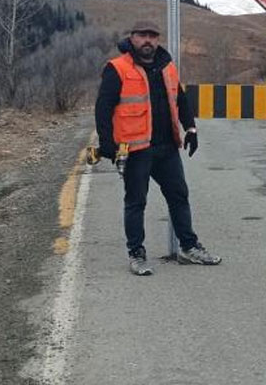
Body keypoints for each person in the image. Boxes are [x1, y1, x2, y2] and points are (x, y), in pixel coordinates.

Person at [94, 19, 221, 276]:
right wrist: (107, 143)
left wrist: (191, 128)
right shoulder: (117, 68)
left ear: (157, 40)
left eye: (152, 36)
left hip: (166, 147)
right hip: (135, 149)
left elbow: (181, 99)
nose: (147, 40)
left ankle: (189, 247)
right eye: (142, 35)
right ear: (132, 38)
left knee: (179, 195)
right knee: (136, 202)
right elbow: (103, 107)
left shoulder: (167, 66)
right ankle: (136, 254)